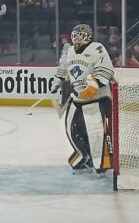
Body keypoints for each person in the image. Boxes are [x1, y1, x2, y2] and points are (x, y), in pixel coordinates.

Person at [52, 24, 114, 176]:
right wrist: (58, 81)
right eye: (75, 35)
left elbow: (105, 70)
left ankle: (101, 164)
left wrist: (96, 84)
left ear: (87, 36)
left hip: (97, 99)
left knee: (97, 134)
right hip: (77, 99)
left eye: (79, 35)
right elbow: (63, 69)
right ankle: (84, 157)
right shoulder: (70, 50)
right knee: (72, 131)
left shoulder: (97, 48)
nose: (76, 38)